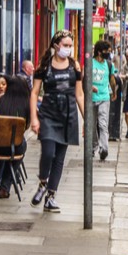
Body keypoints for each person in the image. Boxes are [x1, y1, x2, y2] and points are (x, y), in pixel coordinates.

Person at [29, 30, 84, 212]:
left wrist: (87, 120)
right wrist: (34, 118)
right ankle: (43, 182)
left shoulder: (74, 66)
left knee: (60, 158)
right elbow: (34, 93)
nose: (68, 49)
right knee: (48, 152)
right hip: (49, 113)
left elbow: (79, 94)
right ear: (56, 45)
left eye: (70, 46)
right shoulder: (44, 66)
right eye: (65, 45)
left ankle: (50, 197)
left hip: (68, 114)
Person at [0, 76, 32, 198]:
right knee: (21, 147)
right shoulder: (26, 105)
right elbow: (26, 127)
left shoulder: (0, 100)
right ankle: (5, 186)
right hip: (13, 148)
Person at [90, 39, 116, 161]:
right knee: (91, 124)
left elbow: (112, 80)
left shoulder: (109, 64)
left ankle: (104, 149)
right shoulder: (90, 63)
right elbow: (85, 79)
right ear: (99, 52)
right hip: (91, 98)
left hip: (104, 97)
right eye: (107, 51)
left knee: (103, 124)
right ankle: (94, 145)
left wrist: (114, 92)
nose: (108, 54)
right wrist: (90, 87)